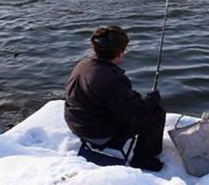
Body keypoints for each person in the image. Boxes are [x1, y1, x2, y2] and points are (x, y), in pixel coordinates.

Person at [65, 26, 166, 171]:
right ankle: (143, 159)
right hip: (97, 133)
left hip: (76, 123)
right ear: (120, 52)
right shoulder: (113, 79)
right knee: (155, 113)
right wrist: (150, 102)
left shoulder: (83, 64)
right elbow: (130, 115)